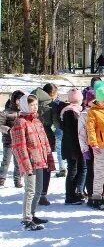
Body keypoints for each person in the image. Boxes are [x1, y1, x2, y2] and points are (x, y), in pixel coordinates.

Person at [11, 94, 53, 230]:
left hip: (39, 160)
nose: (34, 107)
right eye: (31, 105)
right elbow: (19, 146)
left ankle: (32, 214)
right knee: (30, 191)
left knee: (38, 190)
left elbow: (45, 141)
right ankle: (26, 219)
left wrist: (49, 157)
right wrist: (26, 164)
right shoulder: (20, 123)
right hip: (29, 162)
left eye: (35, 104)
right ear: (24, 106)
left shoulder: (36, 121)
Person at [31, 83, 58, 205]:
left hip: (31, 137)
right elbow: (56, 123)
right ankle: (42, 194)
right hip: (46, 136)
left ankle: (33, 192)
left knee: (34, 166)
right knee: (46, 165)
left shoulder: (30, 100)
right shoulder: (50, 105)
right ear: (52, 93)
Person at [60, 88, 87, 205]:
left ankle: (77, 192)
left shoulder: (73, 110)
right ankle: (70, 196)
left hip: (75, 145)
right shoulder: (71, 112)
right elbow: (73, 132)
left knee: (79, 169)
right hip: (73, 146)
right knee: (73, 170)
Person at [0, 90, 26, 188]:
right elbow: (0, 124)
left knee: (19, 161)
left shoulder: (24, 112)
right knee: (6, 160)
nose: (19, 102)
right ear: (14, 100)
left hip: (21, 141)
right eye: (18, 100)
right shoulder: (6, 112)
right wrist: (8, 130)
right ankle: (1, 178)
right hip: (8, 141)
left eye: (22, 100)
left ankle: (17, 180)